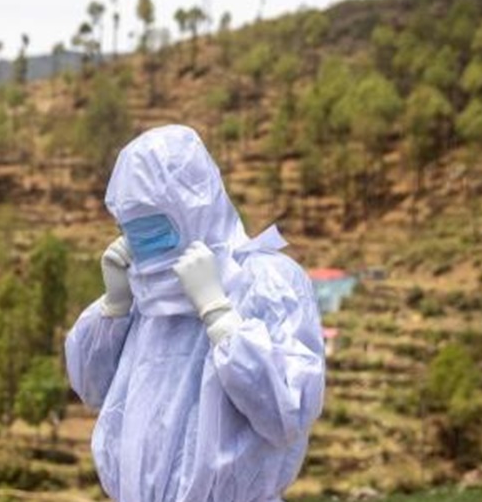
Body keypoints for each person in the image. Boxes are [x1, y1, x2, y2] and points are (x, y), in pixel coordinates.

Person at [65, 125, 326, 502]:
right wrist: (113, 306)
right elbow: (91, 388)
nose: (143, 242)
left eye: (155, 224)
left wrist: (218, 313)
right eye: (131, 228)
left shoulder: (266, 281)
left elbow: (290, 412)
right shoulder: (144, 298)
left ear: (194, 205)